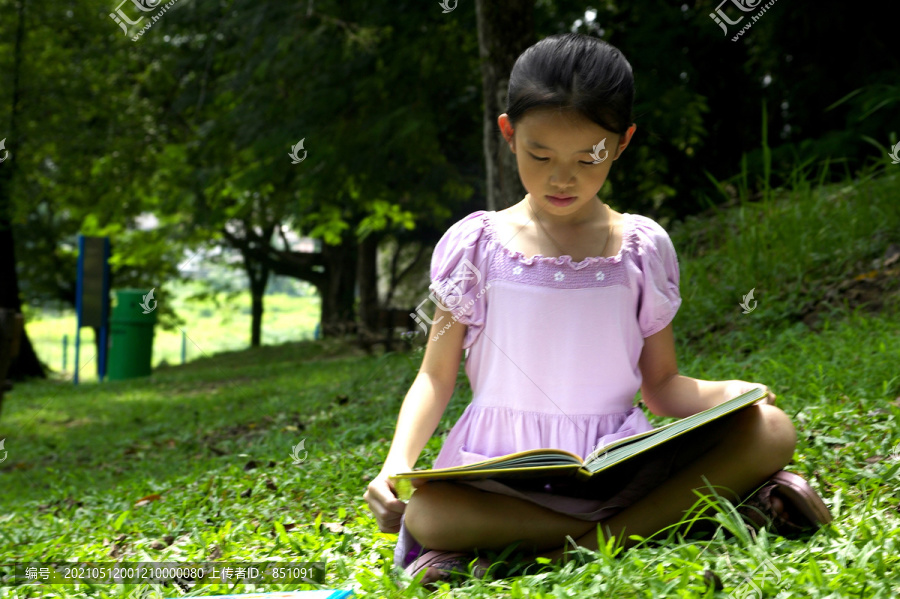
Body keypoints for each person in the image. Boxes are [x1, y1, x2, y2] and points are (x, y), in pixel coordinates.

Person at [364, 32, 831, 586]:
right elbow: (435, 377)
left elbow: (662, 387)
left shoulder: (641, 246)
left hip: (617, 465)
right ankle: (652, 530)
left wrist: (730, 393)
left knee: (771, 428)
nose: (563, 177)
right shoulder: (477, 245)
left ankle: (566, 548)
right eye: (540, 155)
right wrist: (397, 462)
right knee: (431, 514)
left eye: (590, 157)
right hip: (500, 476)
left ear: (623, 142)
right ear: (509, 134)